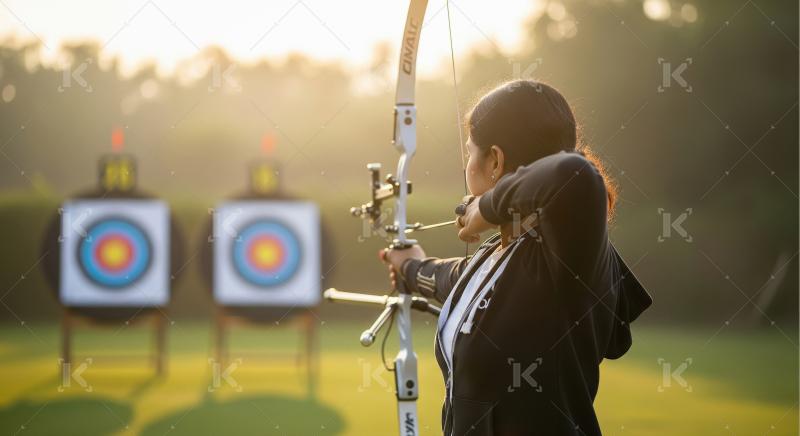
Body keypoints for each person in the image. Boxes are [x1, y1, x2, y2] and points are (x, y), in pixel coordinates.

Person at [382, 80, 652, 436]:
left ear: (495, 160)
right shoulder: (495, 259)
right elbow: (452, 279)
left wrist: (486, 209)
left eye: (470, 153)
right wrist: (410, 267)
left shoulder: (567, 257)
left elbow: (573, 173)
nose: (466, 165)